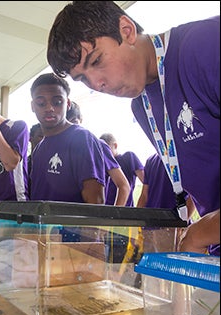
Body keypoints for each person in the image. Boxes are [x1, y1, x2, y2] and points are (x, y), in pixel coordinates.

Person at [47, 1, 219, 255]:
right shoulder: (142, 106)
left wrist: (204, 231)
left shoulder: (206, 45)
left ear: (126, 30)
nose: (97, 83)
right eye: (82, 78)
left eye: (96, 60)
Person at [29, 73, 106, 203]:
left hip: (72, 224)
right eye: (41, 103)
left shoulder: (82, 139)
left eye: (57, 102)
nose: (49, 108)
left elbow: (95, 201)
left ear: (68, 103)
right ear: (32, 106)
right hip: (42, 223)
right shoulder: (39, 148)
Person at [67, 101, 130, 206]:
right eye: (67, 124)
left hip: (91, 217)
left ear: (81, 119)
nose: (72, 128)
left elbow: (123, 186)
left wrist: (112, 220)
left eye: (74, 122)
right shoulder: (59, 148)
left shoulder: (97, 145)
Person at [100, 132, 144, 206]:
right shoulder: (102, 165)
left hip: (124, 210)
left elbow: (146, 182)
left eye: (107, 149)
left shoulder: (129, 157)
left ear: (115, 145)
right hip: (105, 209)